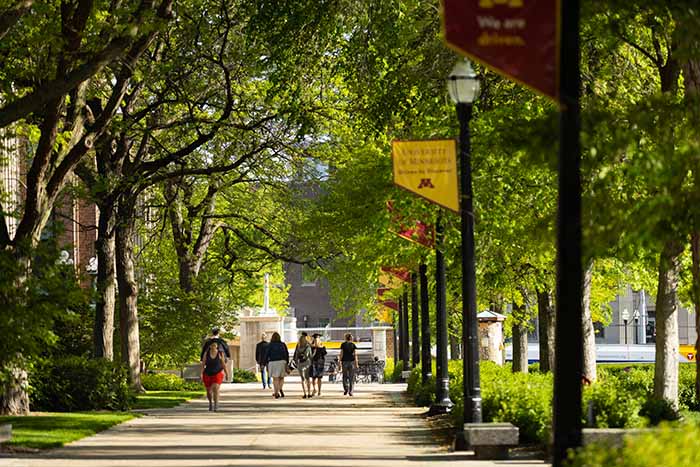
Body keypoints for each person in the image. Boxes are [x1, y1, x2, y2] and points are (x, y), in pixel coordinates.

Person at [201, 341, 229, 411]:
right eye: (212, 345)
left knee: (215, 388)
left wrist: (226, 373)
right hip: (207, 373)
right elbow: (203, 364)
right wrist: (201, 373)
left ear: (217, 346)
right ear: (210, 346)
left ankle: (216, 405)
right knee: (209, 391)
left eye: (215, 345)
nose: (214, 346)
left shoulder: (220, 353)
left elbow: (223, 364)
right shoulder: (206, 354)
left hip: (217, 373)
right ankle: (210, 402)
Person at [264, 332, 289, 399]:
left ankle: (276, 392)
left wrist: (265, 363)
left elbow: (267, 354)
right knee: (281, 377)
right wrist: (287, 362)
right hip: (282, 362)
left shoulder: (270, 345)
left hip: (273, 362)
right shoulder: (283, 344)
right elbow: (287, 354)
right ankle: (280, 388)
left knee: (275, 378)